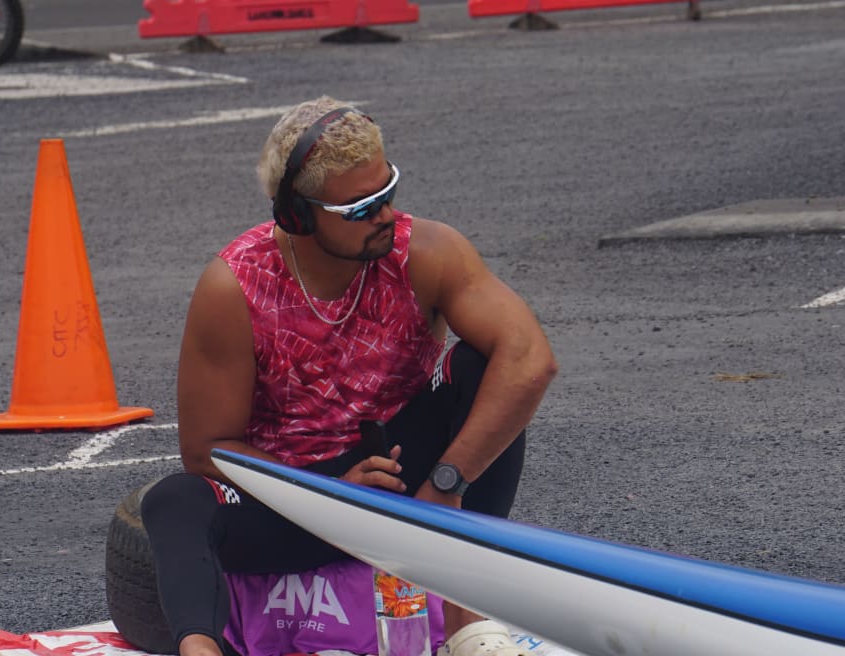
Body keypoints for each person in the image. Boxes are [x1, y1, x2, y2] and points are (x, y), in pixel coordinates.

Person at [141, 96, 558, 656]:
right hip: (294, 499)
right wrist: (331, 494)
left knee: (485, 367)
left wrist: (445, 486)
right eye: (362, 208)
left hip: (405, 479)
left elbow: (532, 357)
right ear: (298, 215)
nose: (386, 215)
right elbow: (207, 451)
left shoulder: (427, 252)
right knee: (175, 500)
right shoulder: (234, 286)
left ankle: (467, 627)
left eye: (388, 192)